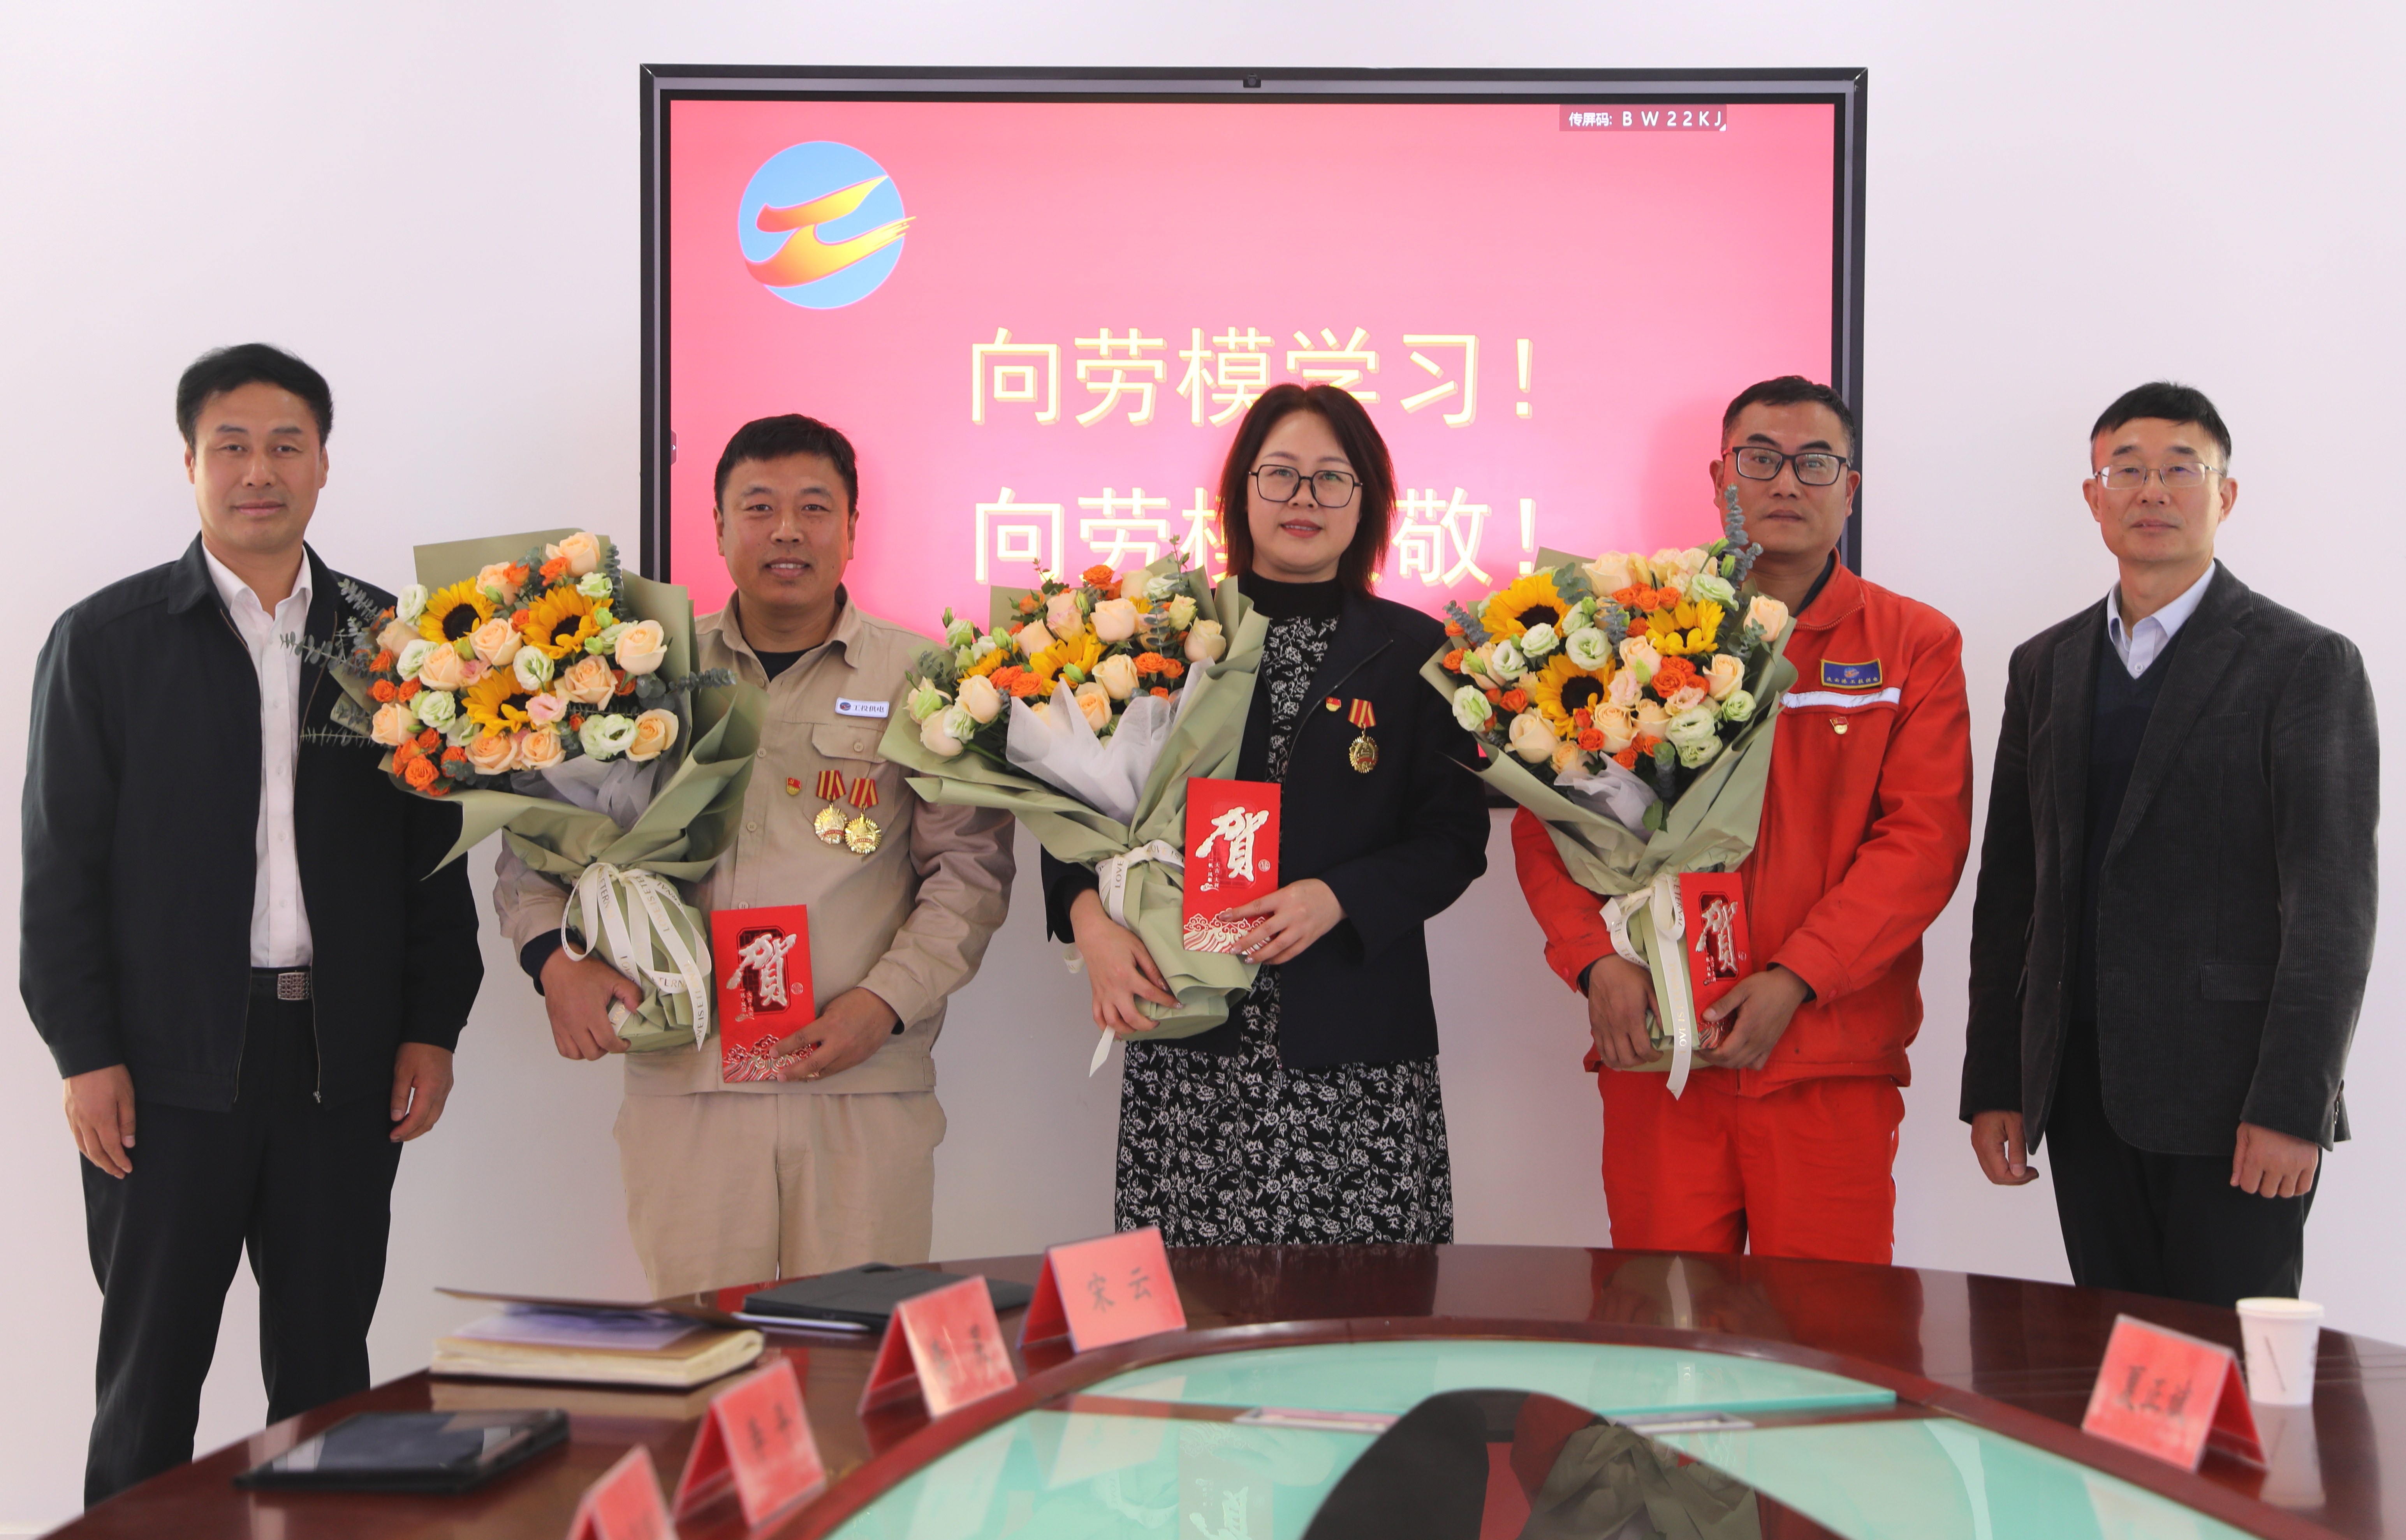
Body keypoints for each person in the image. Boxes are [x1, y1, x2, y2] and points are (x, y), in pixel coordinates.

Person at [23, 344, 484, 1505]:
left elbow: (435, 862)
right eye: (230, 445)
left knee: (329, 1382)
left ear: (325, 463)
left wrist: (431, 1028)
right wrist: (85, 1053)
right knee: (149, 1383)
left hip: (341, 1065)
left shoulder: (396, 644)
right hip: (165, 1070)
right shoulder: (107, 640)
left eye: (286, 444)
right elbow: (59, 872)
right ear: (190, 463)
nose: (259, 470)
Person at [495, 413, 1014, 1298]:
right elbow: (535, 842)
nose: (786, 531)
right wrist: (554, 962)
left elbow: (969, 874)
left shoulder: (924, 682)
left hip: (859, 1084)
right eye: (759, 507)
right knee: (705, 1354)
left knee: (858, 1357)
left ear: (852, 528)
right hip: (688, 1081)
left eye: (814, 507)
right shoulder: (638, 676)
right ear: (718, 526)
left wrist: (883, 1006)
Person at [1513, 375, 1973, 1263]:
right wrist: (1594, 961)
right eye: (1761, 459)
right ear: (1720, 477)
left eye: (1815, 463)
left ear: (1851, 487)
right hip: (1661, 1049)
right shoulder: (1628, 634)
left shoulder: (1913, 644)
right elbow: (1547, 821)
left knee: (1826, 1331)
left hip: (1825, 1057)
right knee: (1661, 1327)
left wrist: (1800, 976)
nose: (1787, 483)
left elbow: (1925, 845)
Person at [1962, 382, 2374, 1307]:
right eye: (2128, 470)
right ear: (2094, 496)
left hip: (2235, 1104)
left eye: (2181, 469)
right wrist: (1997, 1079)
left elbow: (2333, 907)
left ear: (2226, 495)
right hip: (2080, 1089)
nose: (2152, 489)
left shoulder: (2305, 664)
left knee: (2229, 1370)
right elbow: (2011, 889)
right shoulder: (2045, 665)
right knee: (2115, 1360)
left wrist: (2293, 1104)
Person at [1052, 382, 1489, 1245]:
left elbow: (1454, 840)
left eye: (1332, 478)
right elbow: (1072, 805)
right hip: (1192, 1039)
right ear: (1241, 492)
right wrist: (1091, 929)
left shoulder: (1416, 655)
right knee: (1199, 1309)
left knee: (1368, 1310)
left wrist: (1340, 896)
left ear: (1366, 500)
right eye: (1281, 473)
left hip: (1358, 1049)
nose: (1304, 498)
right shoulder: (1164, 639)